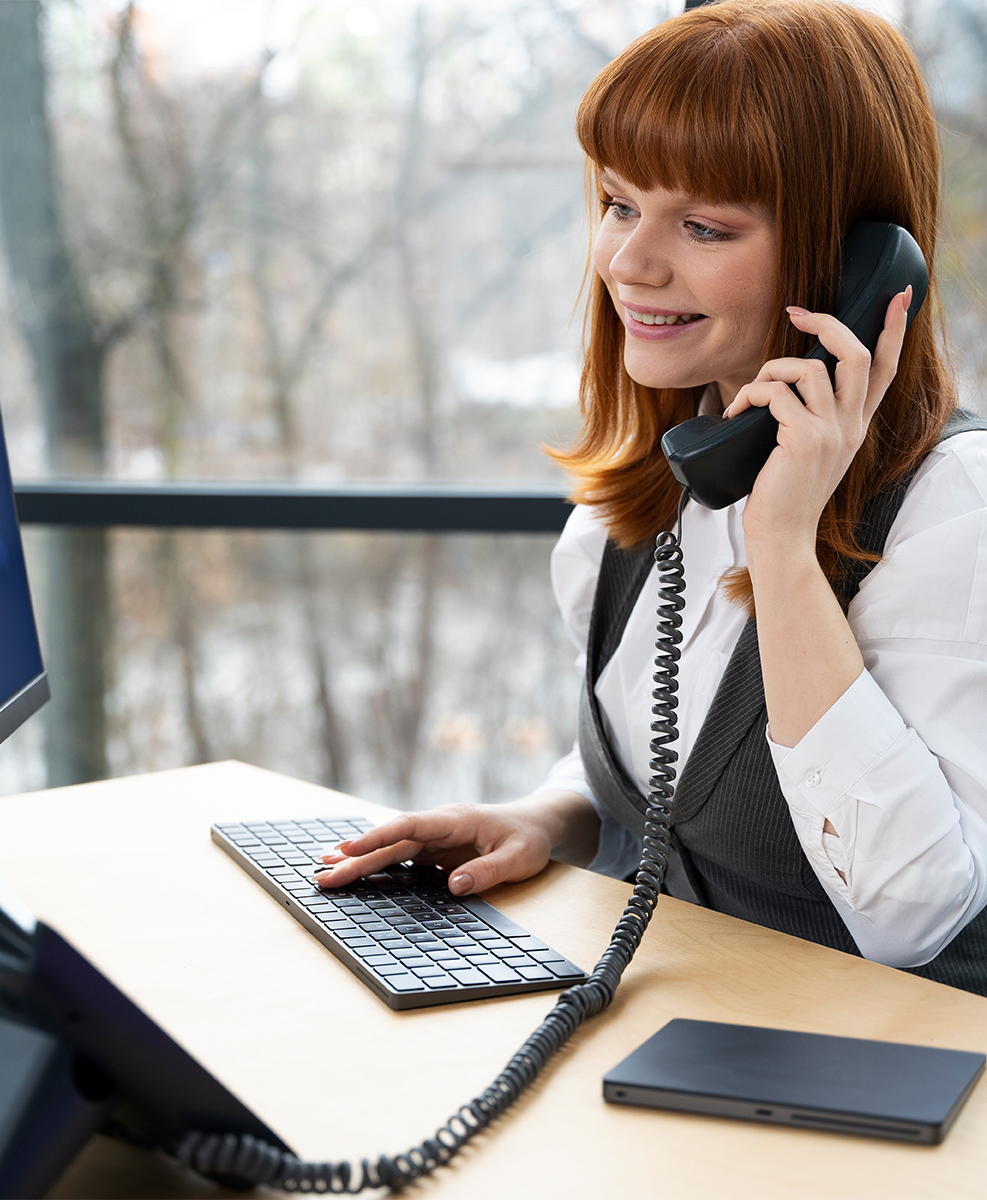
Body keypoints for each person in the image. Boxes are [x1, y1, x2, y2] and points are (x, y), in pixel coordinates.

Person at [315, 0, 987, 996]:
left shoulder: (954, 510)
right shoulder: (653, 492)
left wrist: (788, 553)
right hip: (688, 1050)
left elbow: (912, 912)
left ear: (856, 265)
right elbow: (661, 766)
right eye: (621, 204)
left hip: (887, 1101)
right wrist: (546, 818)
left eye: (704, 225)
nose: (630, 262)